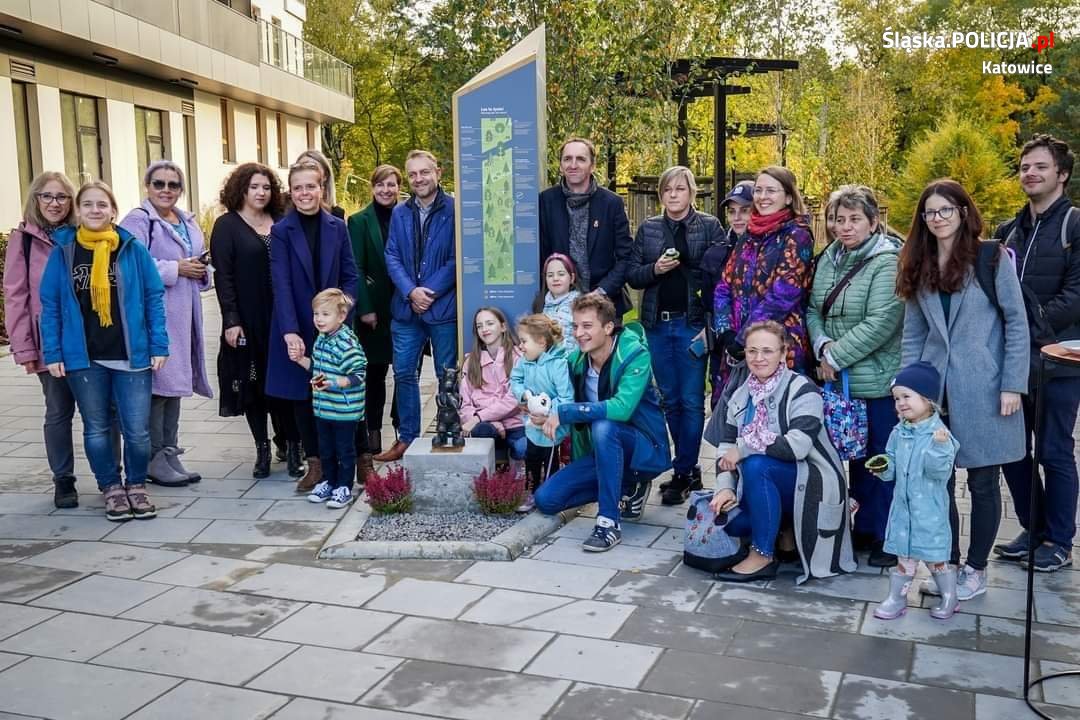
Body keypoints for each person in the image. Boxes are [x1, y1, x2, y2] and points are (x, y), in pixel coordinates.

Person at [897, 179, 1028, 600]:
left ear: (963, 213)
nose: (938, 219)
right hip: (937, 392)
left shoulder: (990, 258)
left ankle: (976, 568)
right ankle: (947, 564)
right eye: (930, 212)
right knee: (938, 483)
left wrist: (1013, 384)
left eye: (946, 210)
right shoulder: (920, 264)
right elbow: (913, 333)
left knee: (984, 483)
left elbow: (1017, 323)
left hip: (986, 387)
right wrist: (905, 387)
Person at [39, 181, 168, 521]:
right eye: (88, 205)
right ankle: (111, 488)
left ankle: (137, 486)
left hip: (132, 355)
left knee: (137, 430)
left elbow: (154, 297)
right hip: (84, 359)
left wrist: (159, 344)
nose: (96, 210)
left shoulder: (131, 248)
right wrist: (52, 353)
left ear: (113, 210)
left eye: (102, 204)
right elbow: (50, 305)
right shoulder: (63, 252)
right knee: (96, 427)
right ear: (78, 211)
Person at [705, 321, 857, 583]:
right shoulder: (740, 395)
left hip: (813, 481)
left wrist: (744, 449)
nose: (758, 358)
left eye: (767, 351)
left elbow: (796, 447)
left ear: (783, 352)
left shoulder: (803, 389)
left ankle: (763, 555)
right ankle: (784, 530)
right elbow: (725, 449)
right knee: (731, 524)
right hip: (768, 480)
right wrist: (724, 488)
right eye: (752, 351)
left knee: (755, 465)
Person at [806, 185, 904, 567]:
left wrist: (836, 354)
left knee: (881, 460)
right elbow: (813, 309)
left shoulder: (887, 261)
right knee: (852, 455)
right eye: (838, 219)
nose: (844, 227)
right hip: (839, 379)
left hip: (876, 379)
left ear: (873, 221)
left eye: (854, 219)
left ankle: (886, 536)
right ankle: (862, 526)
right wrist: (822, 347)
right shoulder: (829, 258)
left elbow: (882, 321)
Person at [995, 135, 1080, 572]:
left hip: (1062, 363)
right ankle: (1034, 527)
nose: (1030, 173)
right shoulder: (1008, 230)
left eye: (1041, 167)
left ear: (1061, 174)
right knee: (1013, 449)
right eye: (1026, 166)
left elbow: (1077, 293)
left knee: (1054, 450)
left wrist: (1030, 323)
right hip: (1015, 361)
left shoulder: (1075, 226)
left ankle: (1060, 540)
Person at [533, 294, 671, 552]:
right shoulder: (576, 362)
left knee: (604, 425)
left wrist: (567, 412)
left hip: (645, 449)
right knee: (546, 500)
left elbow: (621, 408)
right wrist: (543, 411)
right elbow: (559, 400)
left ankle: (608, 523)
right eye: (575, 326)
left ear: (608, 328)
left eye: (587, 326)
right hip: (604, 454)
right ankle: (627, 486)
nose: (579, 333)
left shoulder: (634, 354)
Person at [627, 165, 724, 506]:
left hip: (691, 324)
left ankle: (684, 469)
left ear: (691, 193)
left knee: (691, 399)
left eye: (680, 189)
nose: (673, 195)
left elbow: (719, 277)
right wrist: (656, 269)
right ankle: (686, 468)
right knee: (669, 398)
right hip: (657, 323)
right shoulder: (649, 229)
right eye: (668, 190)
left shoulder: (710, 226)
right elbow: (633, 275)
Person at [266, 160, 360, 493]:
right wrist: (290, 331)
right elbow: (281, 283)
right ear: (291, 192)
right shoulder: (281, 231)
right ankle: (316, 463)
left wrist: (342, 308)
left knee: (342, 389)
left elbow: (350, 275)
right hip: (299, 324)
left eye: (311, 186)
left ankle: (352, 461)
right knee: (305, 396)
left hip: (335, 326)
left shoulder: (338, 226)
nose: (305, 193)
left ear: (322, 188)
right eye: (298, 187)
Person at [119, 160, 211, 487]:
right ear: (147, 186)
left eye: (173, 185)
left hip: (184, 315)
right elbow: (129, 265)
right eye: (159, 183)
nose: (166, 190)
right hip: (156, 317)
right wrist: (175, 269)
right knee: (158, 388)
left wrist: (201, 270)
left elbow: (196, 260)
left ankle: (169, 453)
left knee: (174, 389)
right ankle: (152, 458)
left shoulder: (185, 219)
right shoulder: (138, 220)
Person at [211, 162, 302, 479]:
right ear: (241, 190)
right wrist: (231, 319)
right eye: (254, 187)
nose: (261, 192)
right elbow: (224, 277)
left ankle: (292, 446)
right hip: (248, 319)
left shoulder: (282, 221)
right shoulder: (227, 226)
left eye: (266, 187)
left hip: (282, 317)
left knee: (285, 383)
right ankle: (262, 448)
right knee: (254, 385)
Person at [4, 172, 84, 508]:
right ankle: (63, 480)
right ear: (36, 200)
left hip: (88, 339)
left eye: (62, 197)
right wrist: (23, 346)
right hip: (48, 341)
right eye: (47, 196)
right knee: (58, 411)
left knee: (104, 412)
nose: (55, 203)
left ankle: (113, 478)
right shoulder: (22, 240)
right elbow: (15, 295)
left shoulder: (83, 235)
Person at [378, 149, 457, 462]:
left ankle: (448, 434)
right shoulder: (400, 213)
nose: (419, 179)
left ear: (437, 172)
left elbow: (456, 258)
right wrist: (411, 291)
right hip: (406, 308)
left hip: (443, 308)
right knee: (404, 374)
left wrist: (430, 291)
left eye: (424, 172)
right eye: (412, 174)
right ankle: (407, 438)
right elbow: (392, 256)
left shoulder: (454, 209)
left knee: (447, 373)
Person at [872, 361, 961, 621]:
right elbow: (891, 465)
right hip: (903, 512)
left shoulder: (940, 435)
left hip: (929, 513)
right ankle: (896, 598)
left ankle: (949, 595)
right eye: (896, 398)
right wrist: (883, 467)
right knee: (904, 559)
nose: (900, 403)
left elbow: (939, 473)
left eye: (907, 396)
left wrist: (938, 448)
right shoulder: (898, 432)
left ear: (928, 399)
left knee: (936, 560)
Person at [713, 166, 814, 379]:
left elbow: (783, 295)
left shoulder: (797, 235)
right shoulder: (748, 234)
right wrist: (726, 332)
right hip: (736, 345)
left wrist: (745, 339)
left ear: (788, 197)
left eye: (771, 191)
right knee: (734, 407)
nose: (762, 197)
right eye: (758, 190)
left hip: (776, 344)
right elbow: (724, 284)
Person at [290, 289, 367, 509]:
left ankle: (344, 486)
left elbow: (358, 375)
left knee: (344, 450)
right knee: (326, 448)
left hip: (344, 410)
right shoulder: (321, 340)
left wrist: (332, 383)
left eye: (325, 314)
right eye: (316, 314)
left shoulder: (347, 344)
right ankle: (328, 481)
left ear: (341, 316)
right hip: (324, 409)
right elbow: (317, 368)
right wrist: (300, 360)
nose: (319, 319)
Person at [539, 138, 633, 316]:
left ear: (592, 166)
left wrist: (600, 293)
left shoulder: (612, 204)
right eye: (567, 159)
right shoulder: (545, 201)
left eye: (581, 159)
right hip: (557, 307)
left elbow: (626, 257)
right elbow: (541, 254)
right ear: (560, 165)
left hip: (604, 304)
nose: (573, 165)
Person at [347, 164, 401, 463]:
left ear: (398, 187)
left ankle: (400, 429)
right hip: (374, 312)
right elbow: (356, 266)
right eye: (380, 185)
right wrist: (364, 308)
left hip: (406, 308)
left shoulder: (407, 216)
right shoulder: (359, 221)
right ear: (372, 188)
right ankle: (373, 432)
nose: (385, 190)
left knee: (406, 372)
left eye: (391, 185)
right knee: (375, 374)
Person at [510, 314, 575, 510]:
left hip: (550, 425)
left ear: (541, 342)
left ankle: (550, 494)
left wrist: (548, 412)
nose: (520, 346)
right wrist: (524, 396)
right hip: (531, 423)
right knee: (532, 457)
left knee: (550, 460)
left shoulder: (558, 364)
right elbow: (515, 379)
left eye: (524, 341)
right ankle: (530, 492)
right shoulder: (524, 361)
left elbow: (566, 396)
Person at [703, 181, 753, 409]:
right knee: (724, 408)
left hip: (758, 341)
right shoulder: (716, 251)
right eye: (732, 212)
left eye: (745, 210)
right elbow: (707, 298)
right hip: (724, 343)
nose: (738, 217)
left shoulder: (770, 248)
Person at [459, 307, 525, 462]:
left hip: (516, 424)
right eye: (479, 326)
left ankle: (517, 468)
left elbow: (515, 400)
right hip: (486, 427)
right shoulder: (471, 362)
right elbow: (465, 403)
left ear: (503, 327)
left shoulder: (519, 358)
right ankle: (488, 476)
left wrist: (480, 417)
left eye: (489, 323)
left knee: (524, 447)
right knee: (481, 431)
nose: (485, 329)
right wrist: (488, 421)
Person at [536, 253, 581, 352]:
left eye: (561, 274)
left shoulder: (581, 305)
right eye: (550, 275)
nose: (555, 278)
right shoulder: (540, 305)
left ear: (572, 278)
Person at [295, 149, 346, 220]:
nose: (306, 172)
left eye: (312, 168)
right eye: (301, 168)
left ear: (326, 175)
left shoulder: (337, 215)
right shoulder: (283, 211)